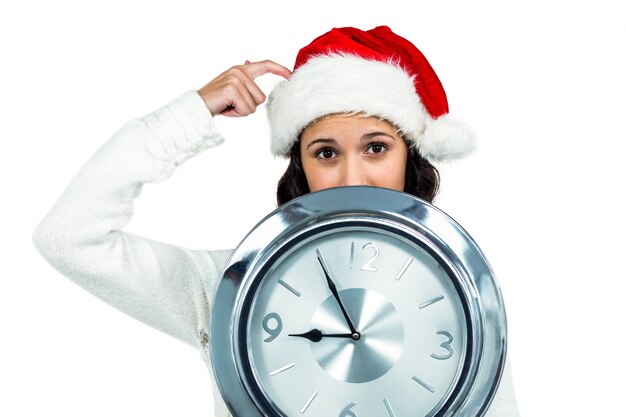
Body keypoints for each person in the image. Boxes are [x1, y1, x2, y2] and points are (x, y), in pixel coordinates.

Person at [32, 26, 520, 416]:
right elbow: (68, 238)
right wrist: (192, 114)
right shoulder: (231, 287)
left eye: (376, 148)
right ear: (300, 167)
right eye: (326, 152)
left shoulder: (461, 287)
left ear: (410, 157)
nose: (352, 175)